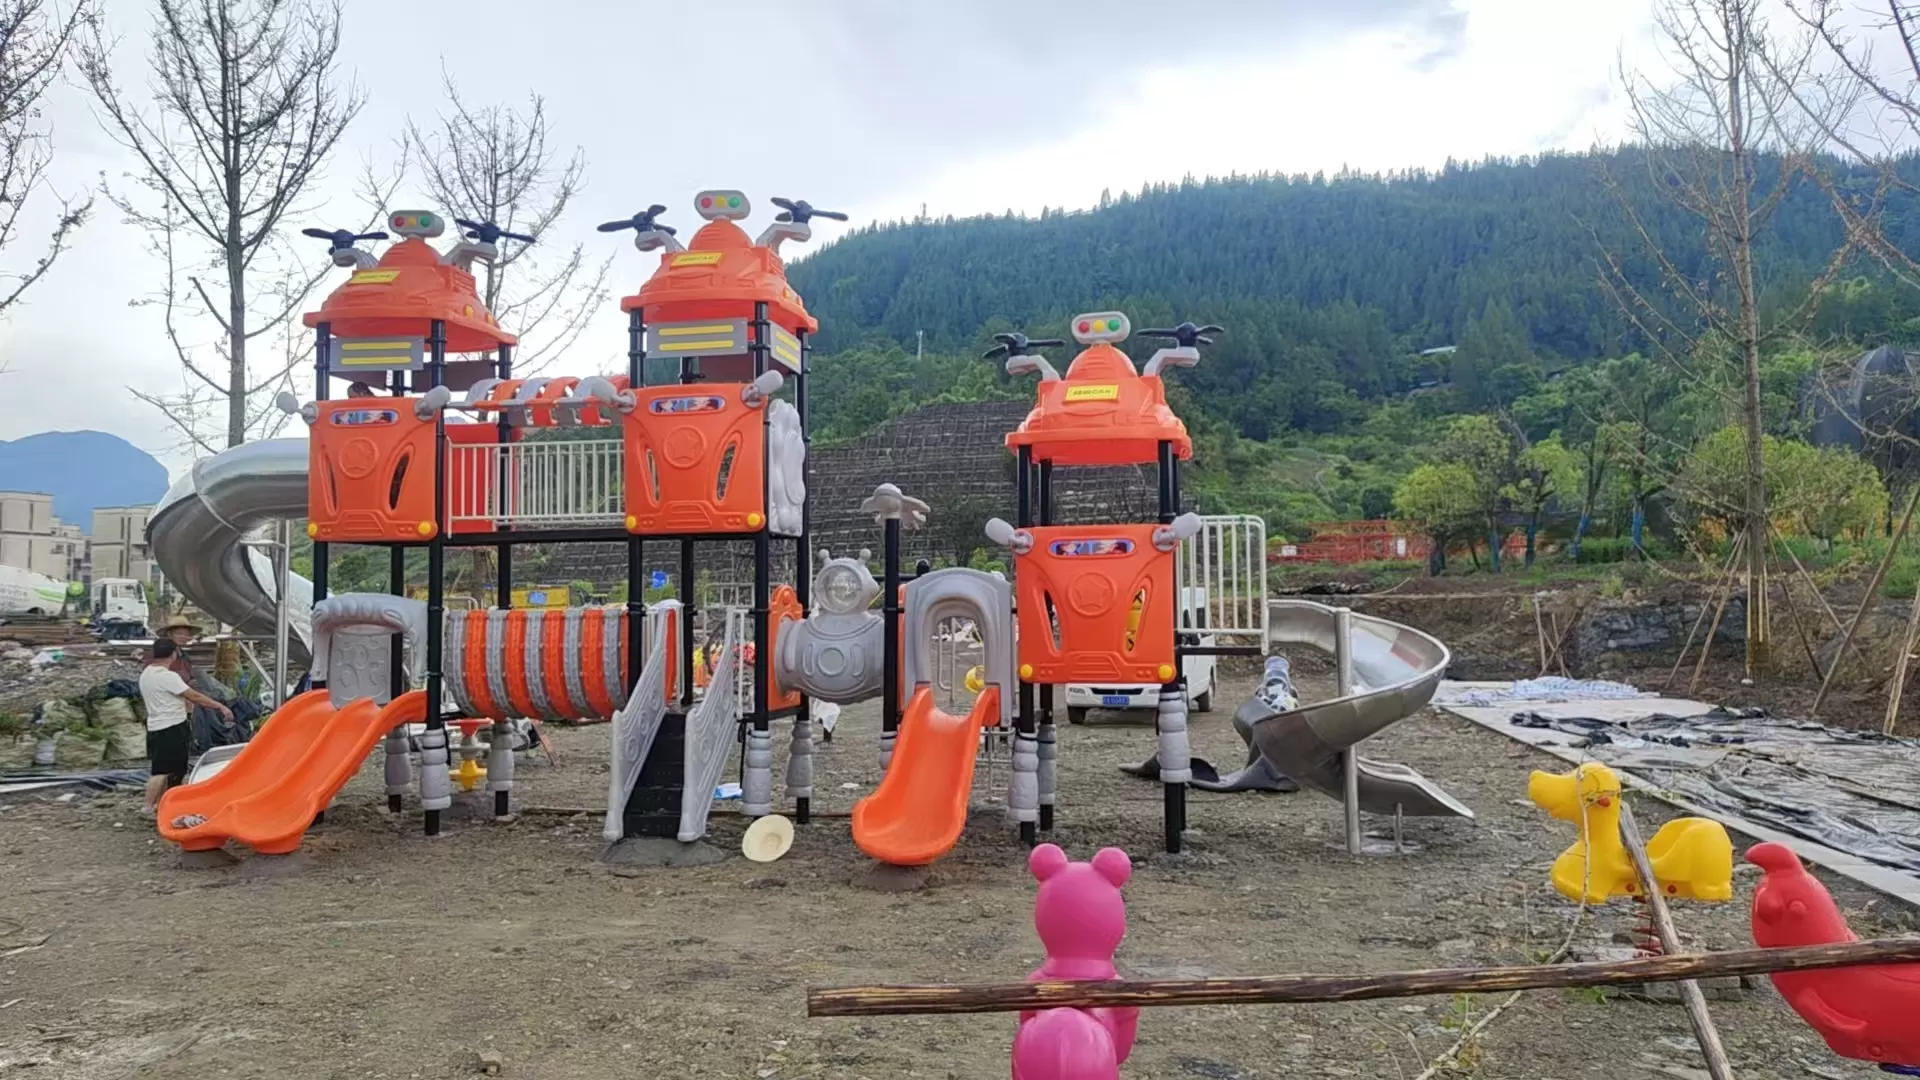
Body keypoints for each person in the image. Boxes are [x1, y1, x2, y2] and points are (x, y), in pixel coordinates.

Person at [140, 639, 232, 814]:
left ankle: (164, 804)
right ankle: (148, 806)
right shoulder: (167, 676)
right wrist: (220, 706)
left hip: (155, 727)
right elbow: (194, 696)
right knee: (164, 771)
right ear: (174, 654)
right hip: (171, 727)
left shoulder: (147, 674)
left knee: (168, 769)